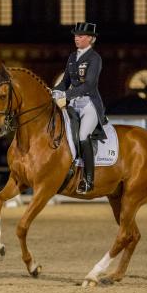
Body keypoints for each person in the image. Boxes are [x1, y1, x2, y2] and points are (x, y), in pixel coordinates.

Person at [52, 22, 107, 194]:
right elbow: (65, 82)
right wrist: (54, 91)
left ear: (91, 39)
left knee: (83, 135)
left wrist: (66, 95)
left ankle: (88, 180)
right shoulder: (72, 57)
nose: (76, 38)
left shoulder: (95, 58)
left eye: (80, 36)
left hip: (89, 104)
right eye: (75, 35)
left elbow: (89, 85)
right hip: (73, 104)